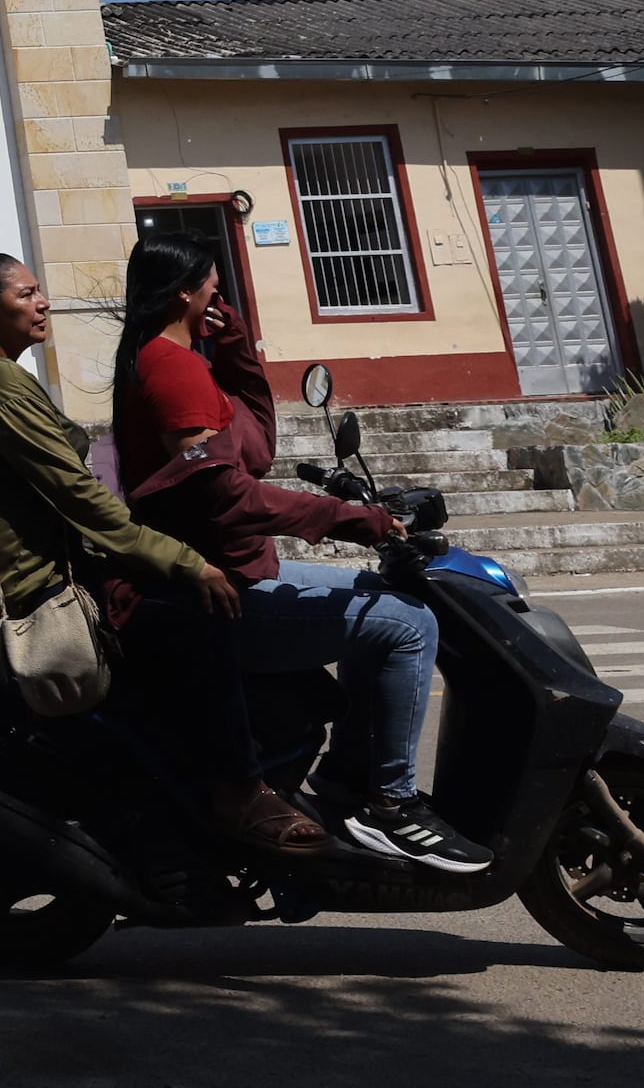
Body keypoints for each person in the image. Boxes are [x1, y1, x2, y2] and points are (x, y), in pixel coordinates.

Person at [0, 251, 328, 865]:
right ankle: (240, 793)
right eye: (27, 295)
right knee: (205, 620)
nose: (43, 303)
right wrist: (185, 561)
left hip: (23, 577)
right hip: (43, 591)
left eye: (40, 291)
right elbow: (80, 498)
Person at [110, 241, 484, 871]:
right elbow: (227, 495)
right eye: (214, 287)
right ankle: (390, 805)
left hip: (242, 565)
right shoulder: (172, 369)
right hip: (217, 587)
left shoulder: (182, 359)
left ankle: (346, 777)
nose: (219, 299)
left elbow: (255, 446)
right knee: (409, 625)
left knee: (388, 602)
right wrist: (348, 520)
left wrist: (233, 346)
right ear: (186, 292)